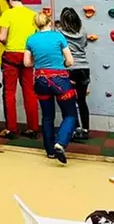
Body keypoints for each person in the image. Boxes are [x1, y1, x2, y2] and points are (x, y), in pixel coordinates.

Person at [24, 12, 77, 164]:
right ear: (49, 23)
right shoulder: (58, 37)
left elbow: (27, 63)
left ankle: (49, 151)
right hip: (60, 80)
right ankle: (60, 143)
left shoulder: (31, 39)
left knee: (47, 116)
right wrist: (62, 65)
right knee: (70, 114)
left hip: (40, 81)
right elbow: (70, 61)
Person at [0, 0, 39, 139]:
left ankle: (11, 129)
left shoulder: (7, 14)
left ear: (9, 1)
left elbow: (2, 37)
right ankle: (33, 128)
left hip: (11, 56)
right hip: (28, 56)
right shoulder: (32, 14)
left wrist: (7, 41)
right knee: (30, 92)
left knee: (9, 92)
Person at [57, 7, 91, 140]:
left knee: (69, 102)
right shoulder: (83, 31)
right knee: (82, 100)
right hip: (84, 68)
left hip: (69, 68)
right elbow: (85, 44)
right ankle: (86, 129)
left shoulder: (59, 33)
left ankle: (74, 129)